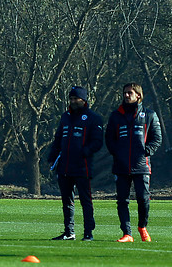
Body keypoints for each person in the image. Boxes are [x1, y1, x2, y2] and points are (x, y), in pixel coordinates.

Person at [105, 82, 162, 242]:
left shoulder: (149, 114)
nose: (126, 95)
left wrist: (145, 152)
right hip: (121, 166)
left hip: (141, 166)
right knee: (122, 200)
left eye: (130, 93)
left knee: (143, 198)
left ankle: (142, 227)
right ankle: (127, 233)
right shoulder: (116, 116)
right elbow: (109, 138)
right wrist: (117, 153)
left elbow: (157, 139)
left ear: (138, 95)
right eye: (125, 93)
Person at [48, 86, 104, 241]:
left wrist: (85, 151)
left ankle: (88, 232)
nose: (73, 101)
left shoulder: (93, 118)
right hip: (64, 165)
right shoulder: (65, 116)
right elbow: (58, 138)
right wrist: (52, 155)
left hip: (82, 166)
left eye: (76, 99)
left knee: (86, 200)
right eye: (71, 98)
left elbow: (98, 142)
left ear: (83, 100)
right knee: (67, 201)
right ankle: (69, 231)